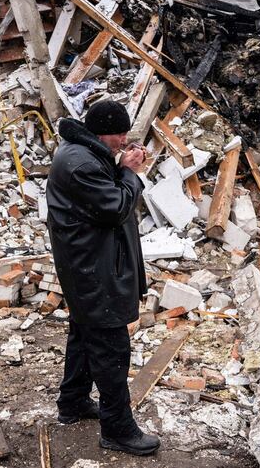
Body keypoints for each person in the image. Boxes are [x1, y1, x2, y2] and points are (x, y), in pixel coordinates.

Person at [46, 100, 160, 456]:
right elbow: (114, 207)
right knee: (111, 346)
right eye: (119, 134)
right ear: (99, 132)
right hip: (93, 269)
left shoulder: (83, 152)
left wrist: (120, 165)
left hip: (88, 264)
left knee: (84, 333)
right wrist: (128, 172)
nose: (123, 141)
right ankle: (117, 428)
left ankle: (73, 401)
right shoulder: (81, 164)